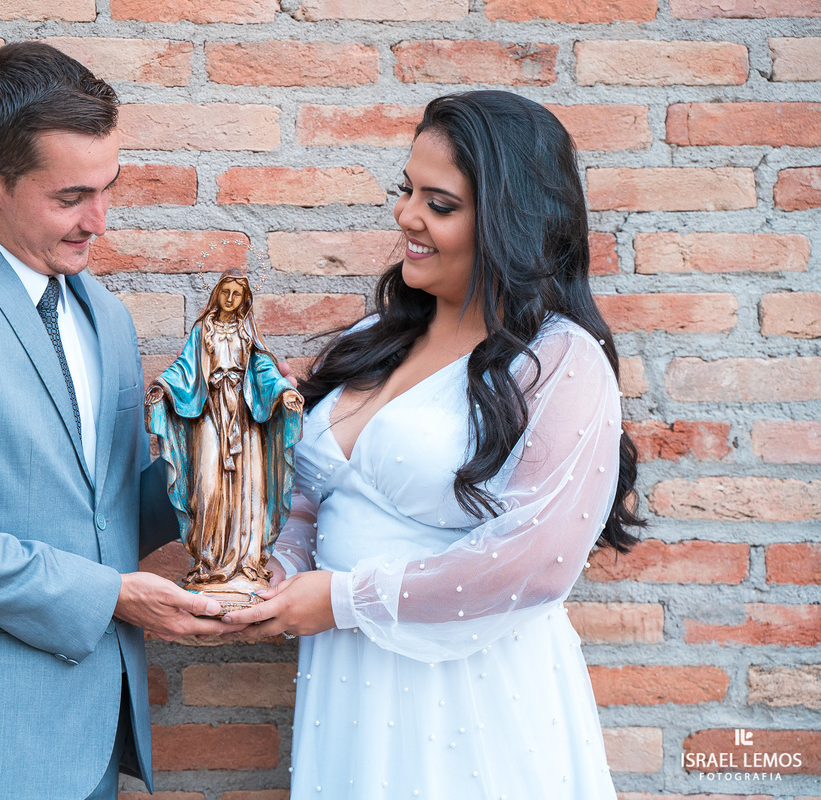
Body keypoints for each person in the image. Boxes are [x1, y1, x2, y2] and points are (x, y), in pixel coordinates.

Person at [0, 41, 240, 800]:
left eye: (109, 188)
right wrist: (111, 596)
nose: (99, 220)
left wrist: (226, 440)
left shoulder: (109, 317)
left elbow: (113, 509)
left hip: (97, 734)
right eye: (71, 197)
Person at [224, 90, 644, 799]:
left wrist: (345, 600)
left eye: (439, 204)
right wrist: (281, 567)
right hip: (350, 687)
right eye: (406, 190)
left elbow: (536, 563)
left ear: (511, 221)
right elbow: (311, 494)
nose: (406, 217)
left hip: (471, 694)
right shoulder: (372, 340)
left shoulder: (559, 361)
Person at [145, 269, 304, 598]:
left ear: (245, 299)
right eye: (225, 291)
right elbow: (185, 367)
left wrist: (281, 393)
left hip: (245, 420)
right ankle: (208, 562)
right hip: (210, 415)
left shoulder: (247, 333)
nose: (230, 299)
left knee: (249, 489)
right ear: (216, 293)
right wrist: (163, 387)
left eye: (237, 293)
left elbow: (264, 368)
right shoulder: (203, 330)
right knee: (208, 485)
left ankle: (246, 561)